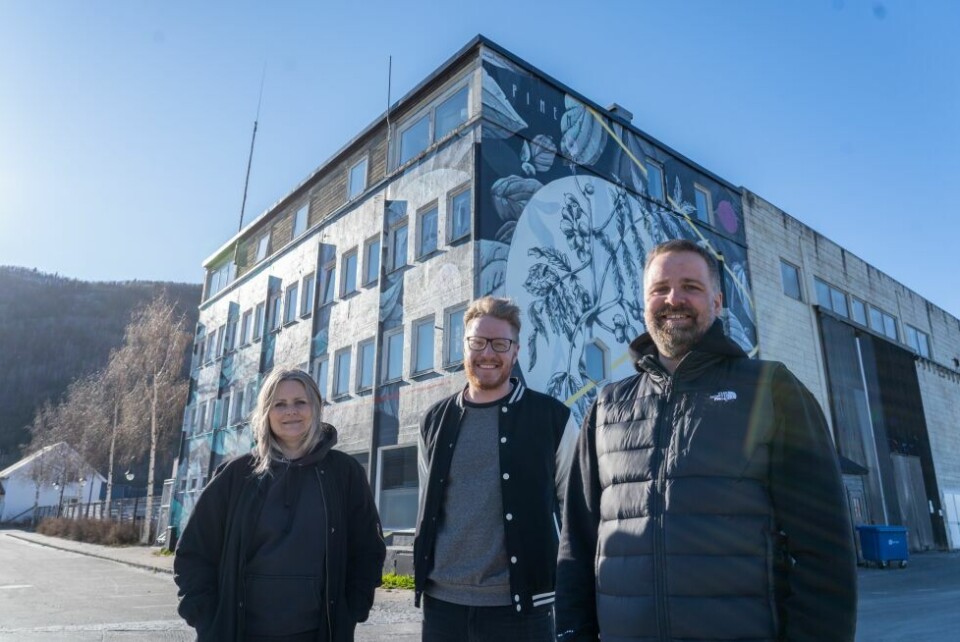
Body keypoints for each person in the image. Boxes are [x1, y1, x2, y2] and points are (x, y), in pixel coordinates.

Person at [556, 239, 857, 642]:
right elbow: (577, 543)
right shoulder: (606, 408)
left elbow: (825, 549)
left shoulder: (770, 390)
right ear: (644, 303)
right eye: (659, 289)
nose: (673, 298)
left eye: (690, 287)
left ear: (716, 302)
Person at [174, 367, 386, 641]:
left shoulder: (344, 473)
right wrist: (206, 618)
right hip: (240, 633)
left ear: (316, 407)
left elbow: (367, 551)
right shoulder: (237, 475)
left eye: (300, 402)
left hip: (320, 634)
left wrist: (352, 610)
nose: (291, 411)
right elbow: (194, 553)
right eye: (280, 404)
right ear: (266, 412)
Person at [414, 296, 578, 641]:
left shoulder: (552, 418)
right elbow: (426, 507)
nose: (488, 353)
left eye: (500, 343)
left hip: (521, 610)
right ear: (464, 348)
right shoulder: (433, 420)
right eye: (478, 342)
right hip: (442, 605)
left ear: (515, 351)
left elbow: (575, 509)